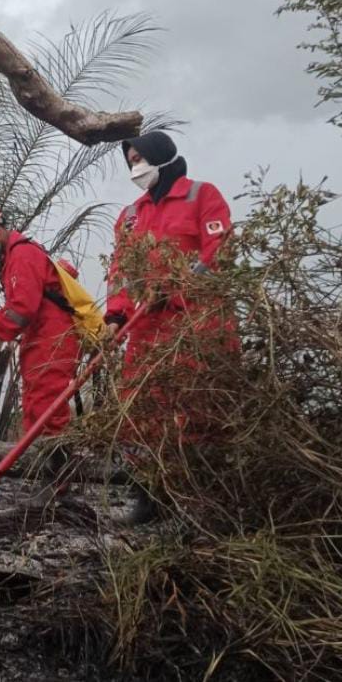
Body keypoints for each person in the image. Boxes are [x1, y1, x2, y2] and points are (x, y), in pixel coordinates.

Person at [105, 131, 236, 523]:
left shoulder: (202, 196)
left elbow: (219, 253)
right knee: (140, 412)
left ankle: (200, 504)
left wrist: (174, 289)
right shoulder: (129, 217)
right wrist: (115, 317)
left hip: (195, 327)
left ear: (160, 157)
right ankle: (148, 498)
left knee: (195, 411)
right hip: (145, 331)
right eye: (130, 162)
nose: (135, 168)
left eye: (139, 159)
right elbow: (120, 273)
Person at [0, 203, 95, 439]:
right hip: (41, 340)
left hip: (51, 340)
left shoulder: (22, 255)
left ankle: (55, 468)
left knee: (47, 411)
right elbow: (19, 306)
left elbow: (22, 310)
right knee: (35, 407)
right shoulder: (16, 256)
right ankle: (39, 467)